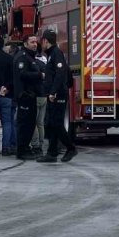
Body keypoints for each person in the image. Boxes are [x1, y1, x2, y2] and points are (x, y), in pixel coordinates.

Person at [37, 31, 77, 163]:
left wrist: (53, 91)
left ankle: (70, 148)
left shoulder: (56, 53)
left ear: (45, 41)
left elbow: (60, 73)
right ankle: (51, 153)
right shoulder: (51, 55)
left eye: (41, 41)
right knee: (51, 124)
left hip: (58, 95)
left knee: (57, 123)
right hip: (53, 94)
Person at [13, 35, 43, 161]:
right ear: (25, 44)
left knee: (30, 124)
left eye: (36, 42)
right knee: (24, 124)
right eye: (32, 42)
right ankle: (22, 150)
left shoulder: (30, 57)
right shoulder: (22, 57)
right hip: (25, 96)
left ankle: (26, 147)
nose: (35, 44)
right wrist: (39, 75)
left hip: (31, 96)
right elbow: (22, 74)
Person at [30, 47, 48, 155]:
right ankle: (41, 144)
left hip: (35, 96)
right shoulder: (43, 64)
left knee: (33, 122)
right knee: (40, 123)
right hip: (44, 95)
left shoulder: (32, 64)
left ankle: (35, 144)